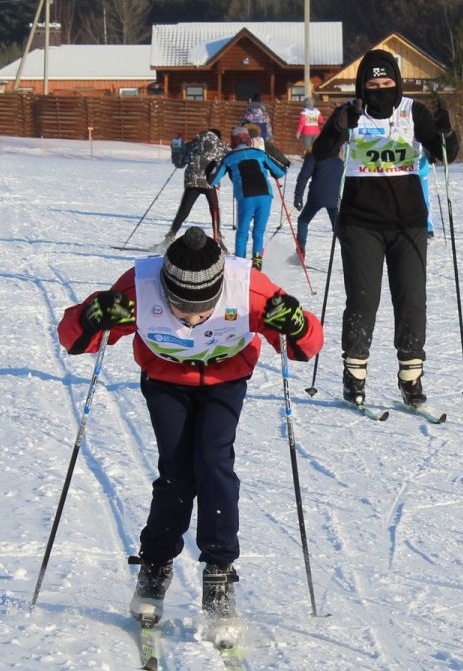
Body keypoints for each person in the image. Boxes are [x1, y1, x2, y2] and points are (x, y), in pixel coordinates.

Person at [58, 227, 323, 644]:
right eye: (181, 308)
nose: (192, 319)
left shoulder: (247, 288)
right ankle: (155, 565)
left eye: (203, 309)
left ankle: (218, 574)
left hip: (225, 379)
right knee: (177, 471)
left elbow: (305, 344)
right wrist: (94, 316)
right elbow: (74, 338)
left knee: (215, 462)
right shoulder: (139, 288)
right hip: (166, 379)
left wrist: (294, 322)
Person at [308, 48, 458, 409]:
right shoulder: (351, 113)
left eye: (387, 83)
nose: (381, 89)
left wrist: (446, 131)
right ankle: (354, 374)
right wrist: (337, 128)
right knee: (363, 300)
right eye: (373, 84)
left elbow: (445, 155)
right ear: (363, 86)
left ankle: (411, 376)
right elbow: (322, 152)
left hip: (408, 223)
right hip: (360, 222)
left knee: (411, 300)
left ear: (398, 83)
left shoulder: (412, 111)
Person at [212, 129, 288, 266]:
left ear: (233, 141)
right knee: (259, 231)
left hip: (246, 197)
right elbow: (281, 172)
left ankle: (240, 263)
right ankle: (257, 262)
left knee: (242, 232)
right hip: (265, 196)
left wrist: (211, 166)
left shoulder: (229, 158)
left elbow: (213, 179)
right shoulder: (260, 153)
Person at [167, 128, 227, 244]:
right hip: (211, 181)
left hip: (192, 181)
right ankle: (217, 237)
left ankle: (170, 236)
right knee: (214, 210)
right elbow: (230, 158)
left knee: (184, 210)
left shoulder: (194, 143)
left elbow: (180, 163)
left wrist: (176, 147)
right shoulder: (221, 145)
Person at [293, 141, 341, 254]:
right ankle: (350, 254)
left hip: (317, 197)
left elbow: (303, 177)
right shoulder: (339, 162)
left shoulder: (314, 157)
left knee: (303, 220)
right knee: (338, 228)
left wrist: (298, 196)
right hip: (335, 198)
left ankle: (300, 252)